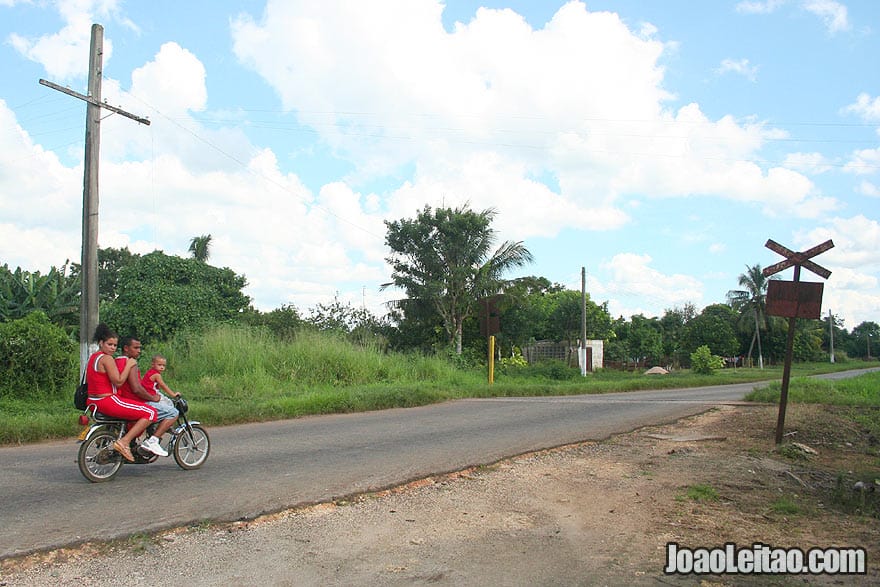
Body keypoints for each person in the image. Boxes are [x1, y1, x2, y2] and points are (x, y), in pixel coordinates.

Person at [85, 324, 157, 463]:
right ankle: (124, 442)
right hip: (107, 400)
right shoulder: (107, 359)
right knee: (150, 412)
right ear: (101, 343)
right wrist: (129, 365)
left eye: (114, 345)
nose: (112, 348)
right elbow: (118, 381)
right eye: (109, 344)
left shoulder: (94, 357)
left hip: (93, 401)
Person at [116, 337, 176, 457]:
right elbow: (136, 389)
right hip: (135, 402)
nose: (139, 351)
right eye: (136, 348)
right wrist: (153, 398)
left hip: (123, 400)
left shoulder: (116, 361)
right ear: (126, 348)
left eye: (140, 348)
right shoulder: (131, 363)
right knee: (173, 412)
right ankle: (153, 440)